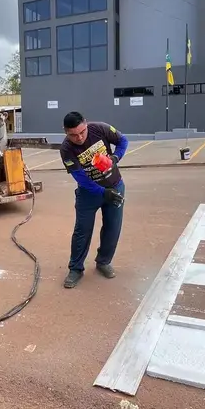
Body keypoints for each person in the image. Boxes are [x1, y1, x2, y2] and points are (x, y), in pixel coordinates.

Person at [59, 111, 128, 289]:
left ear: (86, 124)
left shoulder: (100, 129)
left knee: (113, 227)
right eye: (73, 135)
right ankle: (75, 268)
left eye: (82, 132)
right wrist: (102, 192)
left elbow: (123, 141)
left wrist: (115, 157)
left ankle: (103, 262)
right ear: (65, 132)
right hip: (88, 194)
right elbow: (81, 178)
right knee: (82, 230)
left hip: (115, 185)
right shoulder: (66, 149)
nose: (79, 137)